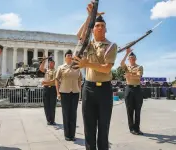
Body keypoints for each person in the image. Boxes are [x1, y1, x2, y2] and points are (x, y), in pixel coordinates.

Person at [73, 3, 117, 150]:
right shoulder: (89, 44)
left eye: (102, 26)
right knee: (89, 126)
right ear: (93, 28)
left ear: (105, 29)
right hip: (88, 88)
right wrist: (89, 17)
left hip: (104, 90)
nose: (99, 27)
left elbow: (106, 68)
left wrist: (87, 64)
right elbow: (79, 35)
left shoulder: (111, 46)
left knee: (103, 127)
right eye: (97, 25)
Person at [55, 49, 82, 141]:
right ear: (65, 57)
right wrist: (58, 92)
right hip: (64, 93)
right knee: (66, 113)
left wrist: (79, 91)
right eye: (68, 55)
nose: (70, 57)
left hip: (75, 93)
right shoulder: (61, 67)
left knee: (73, 114)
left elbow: (79, 80)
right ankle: (67, 135)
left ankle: (72, 135)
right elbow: (56, 80)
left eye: (71, 55)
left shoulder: (77, 67)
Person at [120, 49, 144, 135]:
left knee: (138, 109)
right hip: (129, 89)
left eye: (133, 58)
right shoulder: (126, 67)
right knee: (129, 110)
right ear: (128, 59)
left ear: (135, 59)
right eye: (130, 58)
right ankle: (132, 129)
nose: (132, 59)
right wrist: (126, 53)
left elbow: (138, 77)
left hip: (137, 89)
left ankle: (137, 128)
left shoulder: (139, 67)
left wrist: (129, 75)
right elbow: (121, 63)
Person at [39, 57, 57, 125]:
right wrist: (44, 61)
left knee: (52, 105)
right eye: (50, 62)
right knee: (46, 105)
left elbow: (54, 81)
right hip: (46, 89)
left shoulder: (56, 71)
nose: (51, 64)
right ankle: (48, 120)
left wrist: (46, 83)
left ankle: (52, 120)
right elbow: (40, 68)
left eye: (52, 63)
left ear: (54, 64)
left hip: (53, 89)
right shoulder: (46, 70)